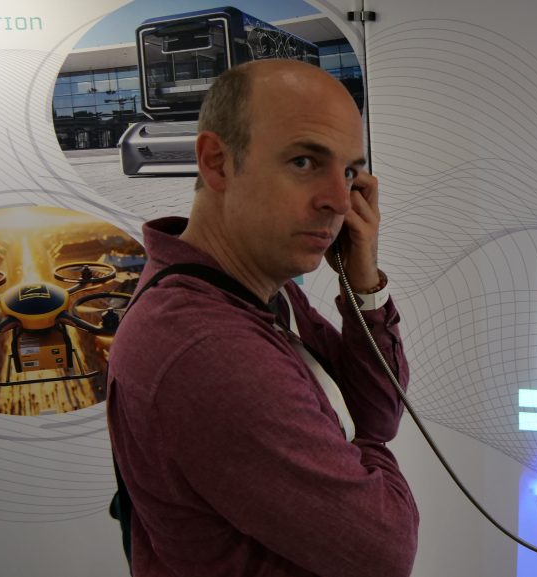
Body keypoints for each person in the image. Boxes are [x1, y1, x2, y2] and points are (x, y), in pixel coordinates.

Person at [106, 60, 418, 577]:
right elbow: (385, 551)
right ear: (217, 163)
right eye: (304, 161)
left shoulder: (260, 289)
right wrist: (361, 448)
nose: (339, 202)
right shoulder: (209, 347)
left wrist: (362, 282)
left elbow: (379, 411)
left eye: (348, 172)